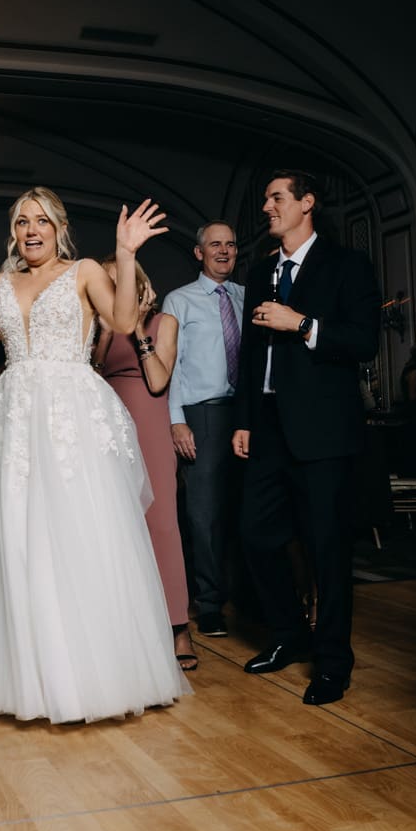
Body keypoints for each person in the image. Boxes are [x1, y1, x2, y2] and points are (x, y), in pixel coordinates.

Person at [0, 186, 192, 724]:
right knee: (20, 538)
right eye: (22, 222)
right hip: (15, 421)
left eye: (41, 221)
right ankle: (28, 676)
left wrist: (125, 253)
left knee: (77, 533)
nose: (30, 230)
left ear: (59, 228)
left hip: (71, 415)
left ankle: (92, 675)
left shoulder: (82, 273)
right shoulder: (1, 283)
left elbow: (123, 323)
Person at [232, 169, 380, 707]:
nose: (268, 207)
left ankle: (332, 662)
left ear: (307, 202)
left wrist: (301, 324)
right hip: (268, 426)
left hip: (324, 431)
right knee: (253, 533)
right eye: (267, 198)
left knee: (327, 550)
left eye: (277, 198)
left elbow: (364, 341)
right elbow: (251, 355)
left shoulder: (347, 266)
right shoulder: (259, 272)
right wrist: (245, 419)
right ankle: (289, 634)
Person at [92, 257, 195, 669]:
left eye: (123, 283)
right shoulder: (100, 326)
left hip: (149, 425)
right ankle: (127, 627)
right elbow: (94, 373)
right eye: (108, 286)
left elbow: (157, 380)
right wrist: (106, 328)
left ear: (142, 284)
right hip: (107, 422)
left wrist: (135, 330)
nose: (117, 292)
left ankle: (178, 627)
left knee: (162, 524)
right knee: (115, 525)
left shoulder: (163, 322)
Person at [162, 221, 244, 636]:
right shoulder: (179, 301)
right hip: (202, 415)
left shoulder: (248, 298)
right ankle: (210, 603)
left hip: (245, 414)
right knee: (204, 514)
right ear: (199, 253)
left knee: (245, 510)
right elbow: (169, 364)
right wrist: (176, 419)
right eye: (215, 245)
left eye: (230, 245)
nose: (224, 251)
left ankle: (251, 595)